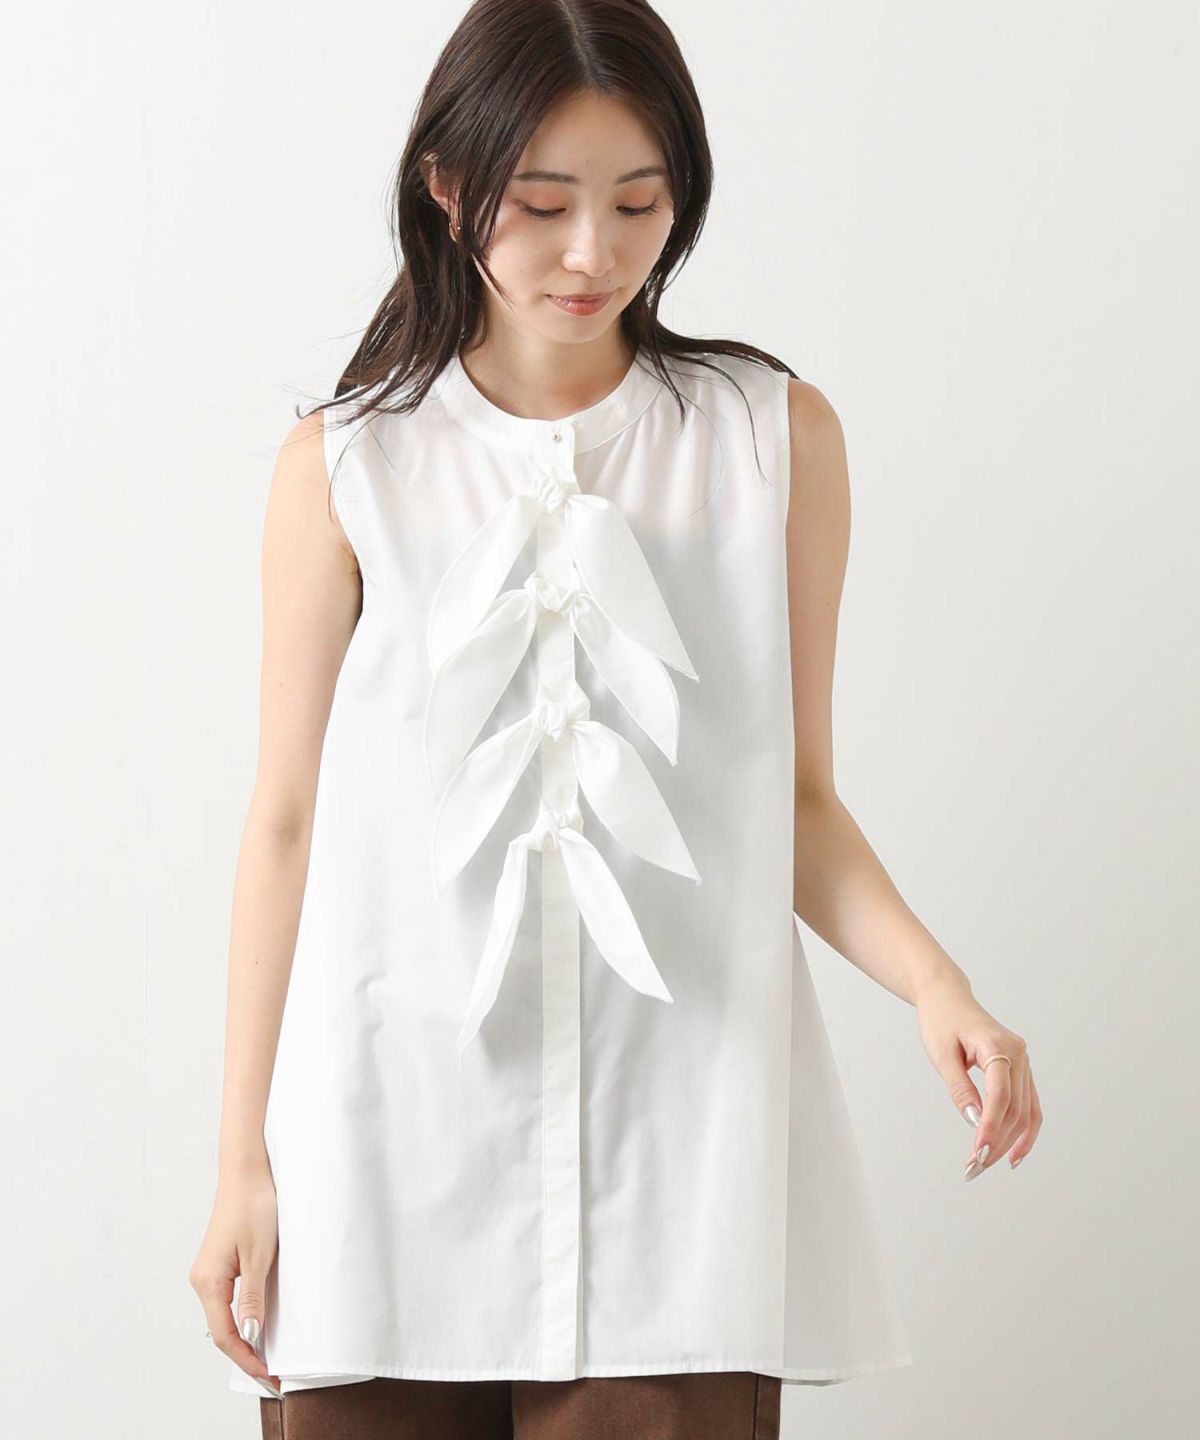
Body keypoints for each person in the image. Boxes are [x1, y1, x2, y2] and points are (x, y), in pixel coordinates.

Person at [188, 2, 1042, 1436]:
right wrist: (240, 1162)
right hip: (383, 1152)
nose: (593, 253)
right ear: (448, 186)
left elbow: (795, 802)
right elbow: (284, 824)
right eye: (542, 205)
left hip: (680, 1160)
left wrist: (937, 985)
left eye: (639, 204)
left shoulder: (769, 442)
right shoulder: (344, 468)